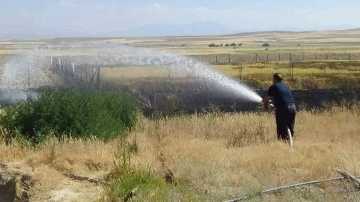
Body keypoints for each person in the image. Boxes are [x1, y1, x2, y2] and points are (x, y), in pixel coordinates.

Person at [262, 73, 297, 141]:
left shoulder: (273, 87)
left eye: (273, 79)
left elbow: (266, 99)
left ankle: (282, 146)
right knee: (290, 128)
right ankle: (290, 145)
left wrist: (262, 101)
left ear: (275, 79)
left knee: (281, 131)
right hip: (293, 108)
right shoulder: (286, 87)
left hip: (284, 109)